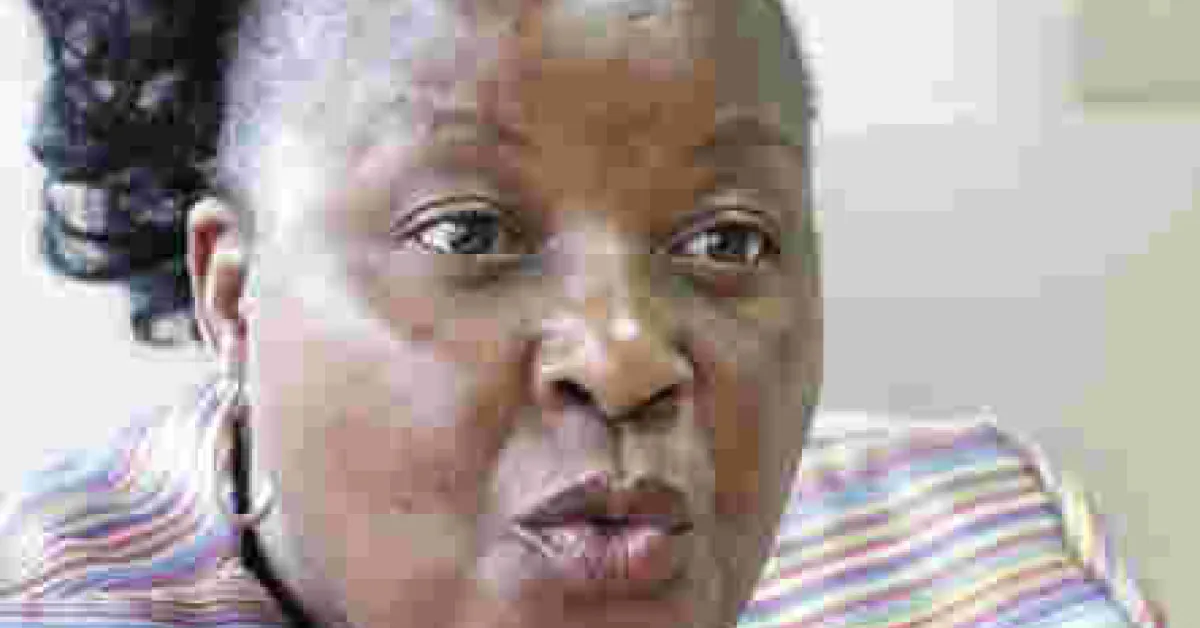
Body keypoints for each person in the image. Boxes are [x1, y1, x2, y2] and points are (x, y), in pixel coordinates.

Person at [0, 1, 1166, 627]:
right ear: (233, 295)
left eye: (728, 240)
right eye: (468, 233)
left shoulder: (984, 536)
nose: (625, 356)